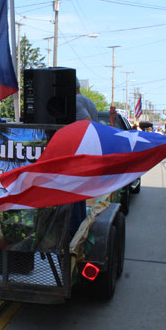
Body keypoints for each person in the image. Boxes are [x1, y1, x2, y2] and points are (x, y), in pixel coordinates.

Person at [71, 78, 99, 236]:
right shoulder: (89, 101)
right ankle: (81, 231)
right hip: (89, 155)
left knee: (73, 198)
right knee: (79, 196)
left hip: (79, 155)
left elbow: (85, 120)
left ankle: (76, 235)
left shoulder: (74, 102)